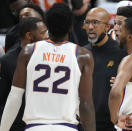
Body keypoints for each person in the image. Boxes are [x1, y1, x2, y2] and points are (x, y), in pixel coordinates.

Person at [0, 3, 95, 131]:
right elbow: (86, 104)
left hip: (35, 126)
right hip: (66, 127)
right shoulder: (83, 56)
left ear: (47, 25)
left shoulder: (29, 51)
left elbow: (14, 97)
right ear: (71, 27)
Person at [0, 17, 48, 131]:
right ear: (29, 36)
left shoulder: (48, 55)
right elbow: (2, 99)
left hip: (42, 121)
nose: (47, 36)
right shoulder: (7, 61)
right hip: (17, 124)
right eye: (43, 32)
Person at [84, 7, 126, 131]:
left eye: (95, 22)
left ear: (107, 27)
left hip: (110, 124)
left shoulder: (121, 53)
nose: (90, 27)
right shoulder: (81, 53)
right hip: (83, 123)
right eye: (87, 22)